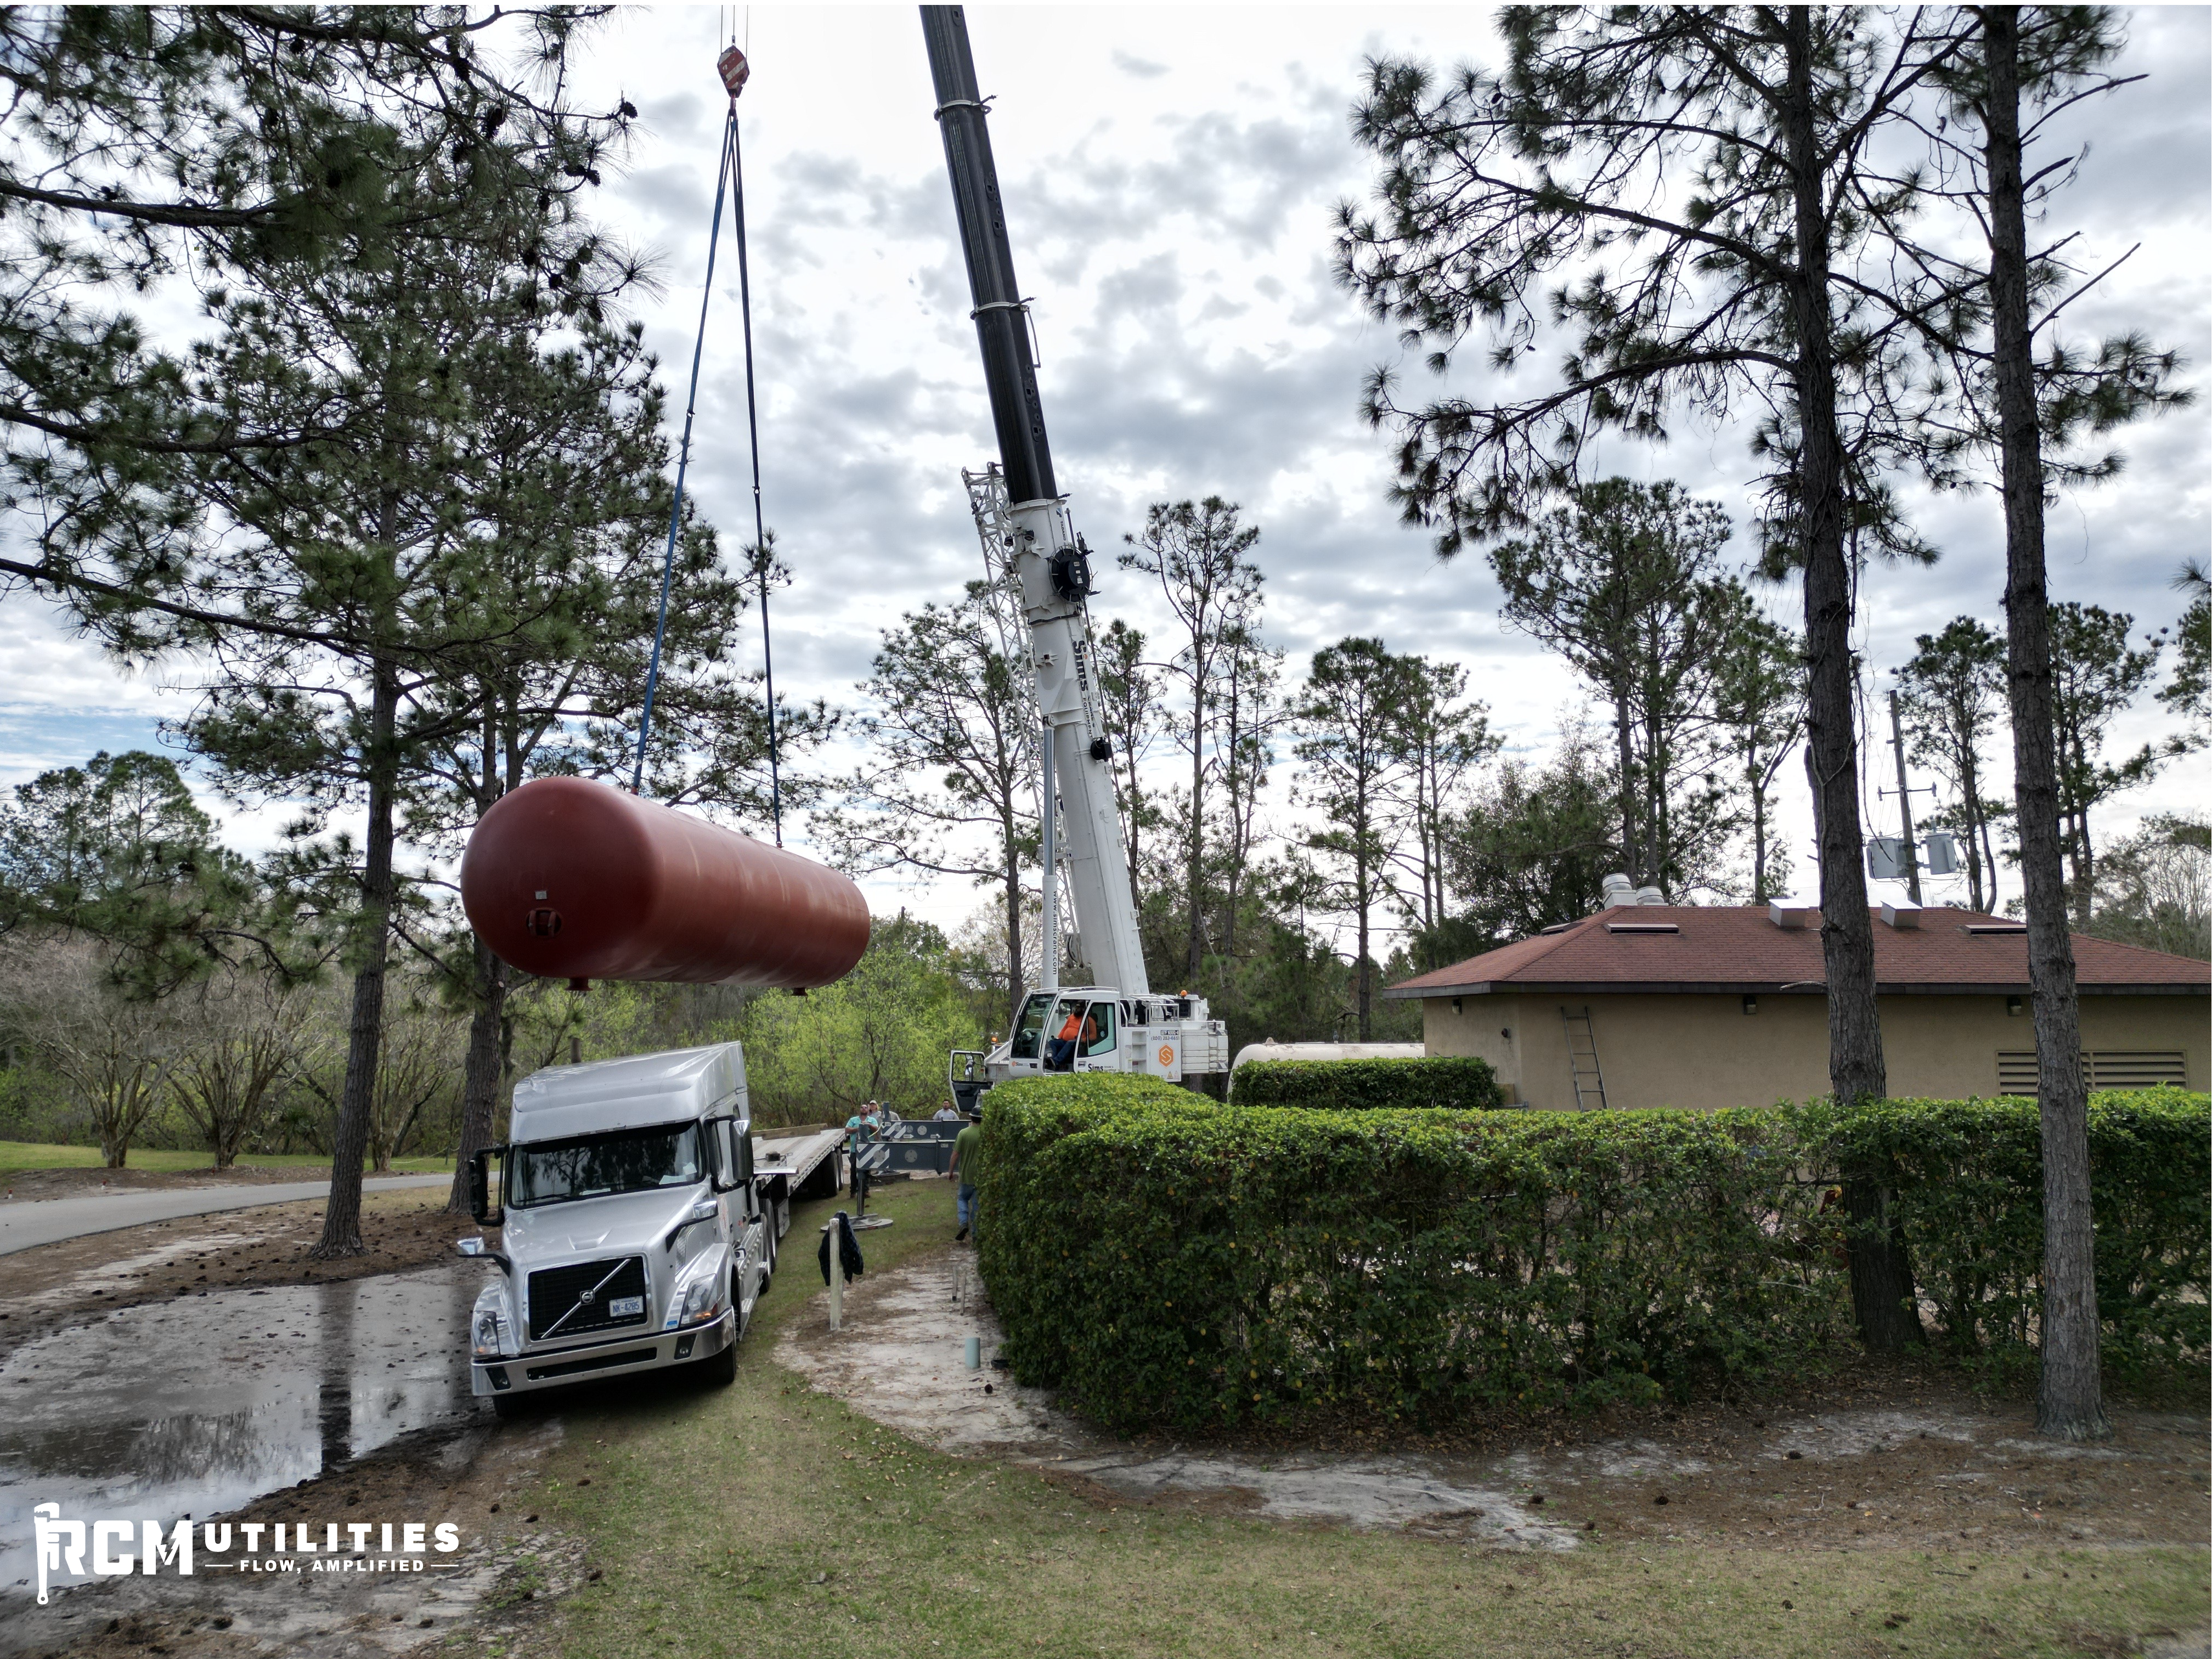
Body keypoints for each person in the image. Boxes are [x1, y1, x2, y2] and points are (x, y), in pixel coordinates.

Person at [949, 1112, 983, 1242]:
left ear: (971, 1118)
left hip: (966, 1175)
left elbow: (956, 1154)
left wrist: (951, 1171)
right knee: (976, 1205)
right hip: (981, 1176)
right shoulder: (986, 1134)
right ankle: (975, 1234)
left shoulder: (963, 1133)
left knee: (962, 1199)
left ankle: (963, 1223)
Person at [1045, 1004, 1098, 1071]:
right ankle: (1051, 1061)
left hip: (1078, 1044)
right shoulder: (1072, 1017)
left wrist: (1083, 1040)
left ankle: (1056, 1062)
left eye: (1079, 1008)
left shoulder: (1089, 1020)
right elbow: (1064, 1029)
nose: (1077, 1010)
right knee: (1052, 1042)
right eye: (1076, 1008)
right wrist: (1058, 1038)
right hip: (1065, 1041)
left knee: (1070, 1043)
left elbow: (1093, 1036)